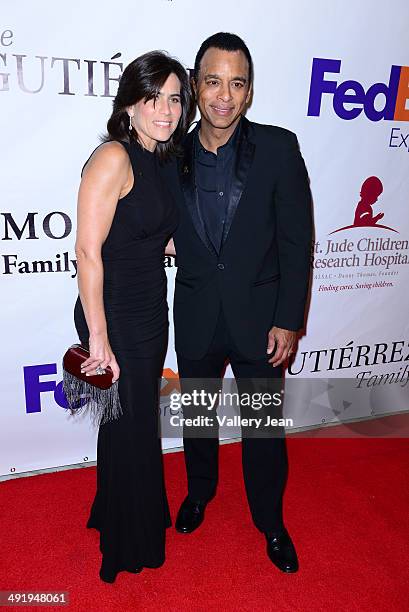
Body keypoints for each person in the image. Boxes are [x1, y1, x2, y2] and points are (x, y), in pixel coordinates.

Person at [162, 33, 312, 573]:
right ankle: (199, 492)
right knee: (198, 418)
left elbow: (297, 241)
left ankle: (271, 522)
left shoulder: (278, 147)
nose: (223, 96)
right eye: (212, 81)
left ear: (248, 93)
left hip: (260, 319)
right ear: (195, 87)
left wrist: (288, 320)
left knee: (264, 430)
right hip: (198, 313)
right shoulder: (168, 153)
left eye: (237, 83)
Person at [73, 50, 191, 583]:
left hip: (149, 309)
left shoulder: (161, 157)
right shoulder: (114, 158)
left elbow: (149, 233)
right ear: (130, 104)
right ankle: (127, 542)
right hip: (114, 315)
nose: (165, 109)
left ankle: (114, 512)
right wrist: (99, 339)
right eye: (154, 97)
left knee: (131, 424)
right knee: (131, 427)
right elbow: (88, 252)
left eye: (174, 98)